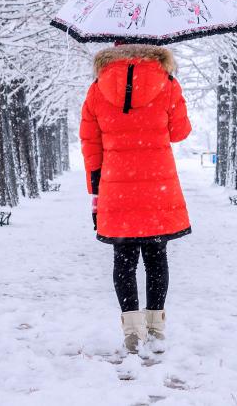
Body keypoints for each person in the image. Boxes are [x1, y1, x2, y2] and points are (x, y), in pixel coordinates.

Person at [79, 42, 192, 355]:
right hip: (158, 185)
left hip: (117, 186)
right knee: (156, 257)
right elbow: (180, 131)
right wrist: (173, 89)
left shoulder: (98, 88)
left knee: (124, 259)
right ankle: (155, 328)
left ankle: (132, 331)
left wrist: (96, 191)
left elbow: (91, 144)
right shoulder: (167, 83)